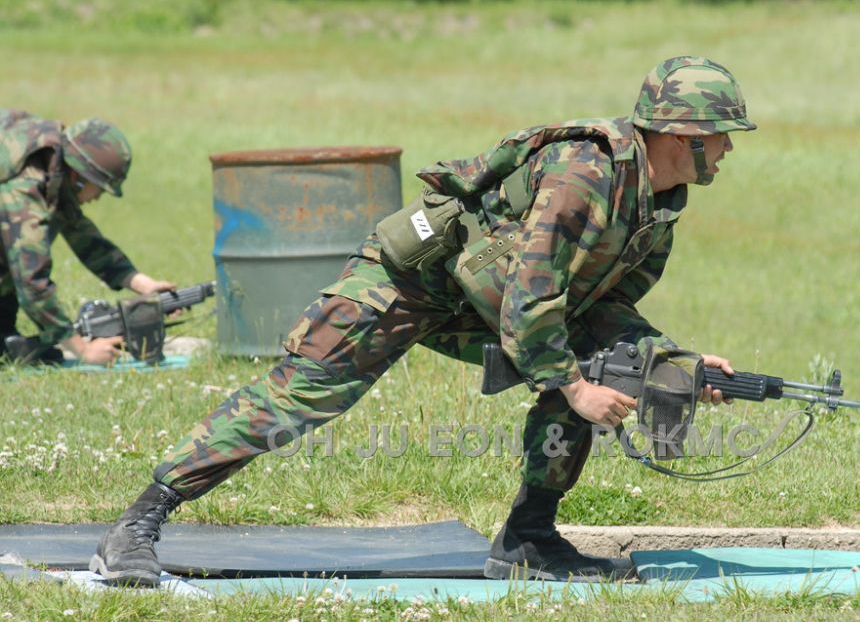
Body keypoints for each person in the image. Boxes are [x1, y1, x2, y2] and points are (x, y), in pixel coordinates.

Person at [91, 56, 755, 586]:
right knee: (302, 395)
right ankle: (138, 524)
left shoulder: (660, 199)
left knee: (586, 365)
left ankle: (529, 540)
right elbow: (533, 295)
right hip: (405, 283)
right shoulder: (584, 175)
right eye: (719, 135)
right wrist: (576, 387)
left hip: (486, 300)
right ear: (678, 133)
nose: (726, 149)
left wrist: (673, 361)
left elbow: (601, 310)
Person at [0, 109, 176, 365]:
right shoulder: (24, 194)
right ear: (80, 177)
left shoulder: (50, 166)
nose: (97, 198)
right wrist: (82, 350)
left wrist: (141, 283)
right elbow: (32, 284)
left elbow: (85, 238)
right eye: (100, 189)